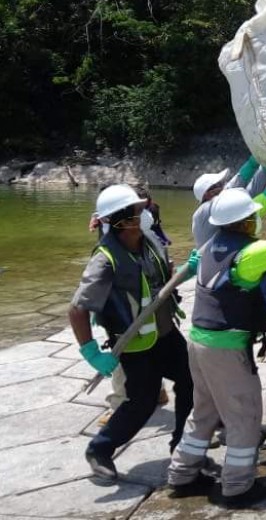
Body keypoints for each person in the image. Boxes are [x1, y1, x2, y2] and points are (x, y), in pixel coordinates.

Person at [167, 188, 266, 507]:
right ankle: (237, 486)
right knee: (244, 416)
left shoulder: (209, 245)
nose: (257, 219)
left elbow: (259, 203)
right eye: (251, 218)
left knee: (203, 412)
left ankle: (182, 475)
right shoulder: (250, 254)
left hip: (199, 343)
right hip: (226, 350)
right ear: (244, 223)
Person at [69, 184, 196, 481]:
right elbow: (77, 309)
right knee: (143, 402)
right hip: (135, 344)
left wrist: (186, 271)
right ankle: (99, 449)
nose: (146, 213)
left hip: (166, 334)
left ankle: (181, 443)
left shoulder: (149, 241)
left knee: (192, 380)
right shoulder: (105, 260)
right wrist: (90, 352)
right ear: (123, 220)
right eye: (140, 210)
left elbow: (160, 283)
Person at [191, 156, 266, 248]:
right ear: (208, 194)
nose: (225, 185)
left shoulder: (222, 209)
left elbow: (251, 191)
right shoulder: (203, 212)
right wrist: (252, 164)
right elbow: (234, 187)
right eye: (220, 184)